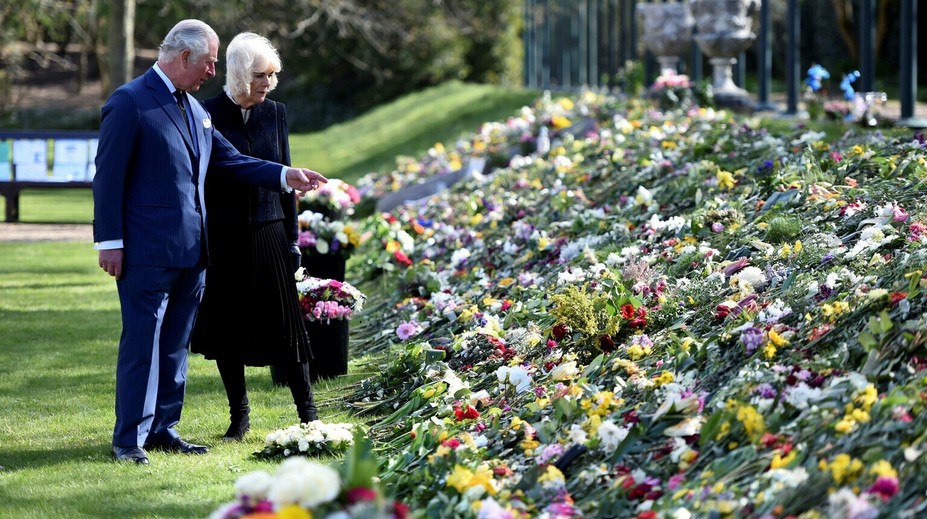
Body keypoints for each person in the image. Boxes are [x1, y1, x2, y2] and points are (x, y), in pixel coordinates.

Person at [93, 19, 326, 465]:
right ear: (184, 58)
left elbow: (231, 160)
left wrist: (284, 175)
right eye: (209, 63)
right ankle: (128, 440)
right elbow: (108, 179)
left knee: (176, 345)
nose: (212, 73)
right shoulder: (129, 103)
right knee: (143, 344)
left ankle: (164, 429)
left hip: (194, 253)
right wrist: (110, 242)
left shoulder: (195, 109)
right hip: (146, 253)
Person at [190, 32, 315, 442]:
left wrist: (293, 238)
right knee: (229, 331)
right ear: (241, 74)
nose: (269, 84)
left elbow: (286, 178)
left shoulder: (276, 113)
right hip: (224, 236)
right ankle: (239, 417)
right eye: (262, 75)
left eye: (273, 75)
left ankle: (308, 415)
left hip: (270, 232)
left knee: (287, 327)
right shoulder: (205, 113)